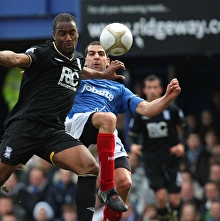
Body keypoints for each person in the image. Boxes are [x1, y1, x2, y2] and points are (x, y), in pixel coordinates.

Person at [0, 13, 127, 221]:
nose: (68, 38)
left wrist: (103, 75)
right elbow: (17, 58)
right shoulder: (43, 53)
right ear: (54, 36)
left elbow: (81, 70)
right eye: (62, 34)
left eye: (72, 33)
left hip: (53, 132)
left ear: (77, 34)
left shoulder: (77, 59)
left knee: (89, 167)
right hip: (25, 128)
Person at [65, 41, 182, 221]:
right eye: (92, 54)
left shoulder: (118, 89)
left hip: (106, 134)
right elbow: (55, 71)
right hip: (79, 128)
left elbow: (147, 109)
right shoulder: (75, 77)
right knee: (107, 118)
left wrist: (167, 98)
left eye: (101, 54)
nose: (96, 57)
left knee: (125, 183)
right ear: (85, 61)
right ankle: (105, 187)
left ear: (108, 60)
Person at [127, 74, 187, 221]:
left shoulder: (172, 109)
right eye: (149, 88)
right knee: (160, 197)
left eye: (155, 87)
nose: (152, 91)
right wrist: (133, 145)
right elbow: (131, 134)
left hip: (171, 157)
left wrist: (182, 144)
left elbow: (187, 128)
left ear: (161, 89)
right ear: (144, 90)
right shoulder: (140, 112)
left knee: (174, 200)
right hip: (151, 159)